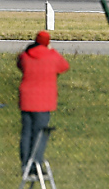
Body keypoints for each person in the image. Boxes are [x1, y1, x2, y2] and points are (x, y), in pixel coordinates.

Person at [17, 30, 69, 171]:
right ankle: (35, 164)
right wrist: (51, 50)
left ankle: (25, 163)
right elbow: (64, 66)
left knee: (26, 132)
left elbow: (19, 64)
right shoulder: (52, 56)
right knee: (40, 133)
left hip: (26, 99)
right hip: (43, 100)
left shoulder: (26, 55)